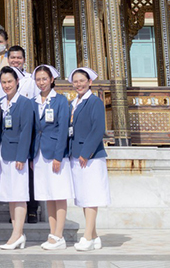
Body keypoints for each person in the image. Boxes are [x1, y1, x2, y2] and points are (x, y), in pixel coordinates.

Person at [68, 67, 109, 251]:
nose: (79, 84)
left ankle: (86, 237)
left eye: (82, 81)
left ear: (89, 82)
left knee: (91, 196)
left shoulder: (94, 101)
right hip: (77, 155)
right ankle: (94, 236)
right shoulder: (74, 102)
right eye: (75, 81)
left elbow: (98, 129)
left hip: (90, 157)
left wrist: (86, 153)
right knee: (84, 197)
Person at [32, 64, 73, 250]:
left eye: (44, 79)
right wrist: (32, 156)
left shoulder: (60, 100)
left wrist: (58, 156)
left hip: (55, 153)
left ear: (51, 80)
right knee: (47, 194)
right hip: (39, 154)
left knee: (59, 193)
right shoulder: (33, 101)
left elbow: (63, 129)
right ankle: (52, 233)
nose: (41, 82)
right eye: (38, 79)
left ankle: (59, 235)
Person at [0, 66, 34, 250]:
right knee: (11, 195)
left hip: (17, 156)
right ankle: (16, 233)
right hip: (4, 155)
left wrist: (22, 155)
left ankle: (17, 234)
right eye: (3, 82)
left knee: (19, 195)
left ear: (17, 82)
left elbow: (26, 131)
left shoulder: (25, 103)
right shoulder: (1, 102)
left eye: (10, 81)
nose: (7, 85)